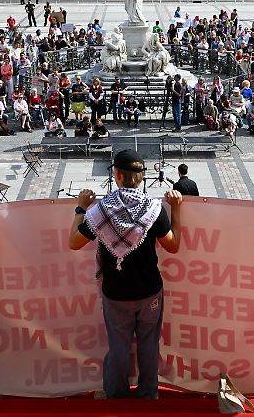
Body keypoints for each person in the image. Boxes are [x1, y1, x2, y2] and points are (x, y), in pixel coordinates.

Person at [69, 149, 183, 400]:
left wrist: (80, 208)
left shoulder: (100, 211)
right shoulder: (154, 210)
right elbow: (173, 246)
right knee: (149, 345)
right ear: (141, 177)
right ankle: (148, 395)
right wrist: (176, 210)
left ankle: (116, 396)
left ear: (117, 175)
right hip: (150, 290)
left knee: (118, 346)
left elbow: (74, 242)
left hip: (116, 292)